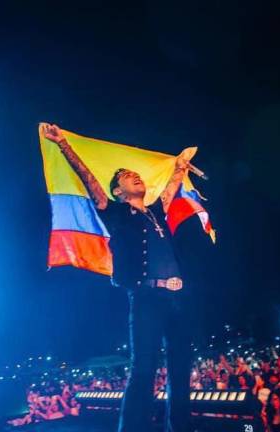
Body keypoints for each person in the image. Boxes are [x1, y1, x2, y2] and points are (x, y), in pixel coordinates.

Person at [42, 123, 194, 432]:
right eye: (126, 176)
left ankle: (180, 427)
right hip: (146, 298)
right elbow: (89, 182)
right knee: (144, 368)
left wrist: (178, 167)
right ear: (117, 191)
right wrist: (63, 144)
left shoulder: (156, 211)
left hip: (179, 299)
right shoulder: (115, 212)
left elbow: (170, 189)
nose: (135, 176)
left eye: (135, 175)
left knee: (181, 369)